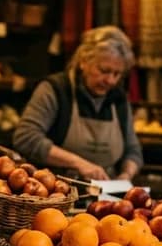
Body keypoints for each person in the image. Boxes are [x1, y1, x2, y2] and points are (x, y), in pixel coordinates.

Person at [13, 26, 143, 181]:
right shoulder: (55, 90)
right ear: (83, 61)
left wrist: (126, 175)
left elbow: (133, 151)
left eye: (117, 74)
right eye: (103, 70)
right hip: (57, 190)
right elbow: (26, 138)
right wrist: (78, 163)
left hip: (106, 194)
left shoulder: (118, 98)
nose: (110, 80)